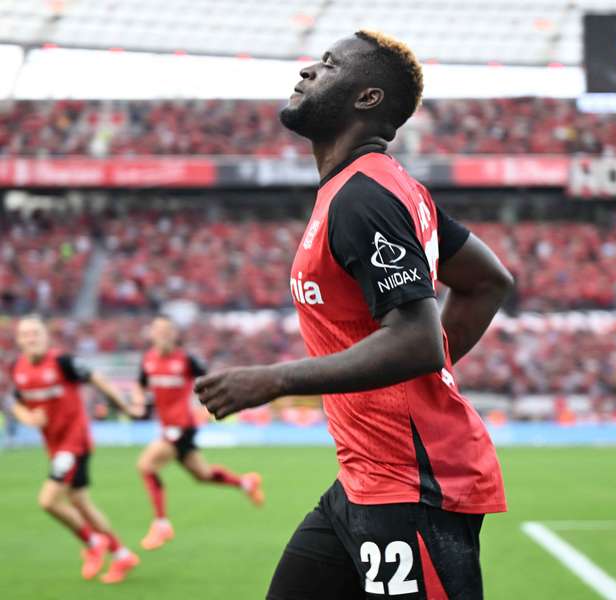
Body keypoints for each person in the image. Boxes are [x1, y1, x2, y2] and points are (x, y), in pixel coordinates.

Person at [195, 30, 512, 599]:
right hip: (364, 480)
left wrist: (275, 380)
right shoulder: (375, 189)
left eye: (329, 64)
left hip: (415, 485)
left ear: (367, 99)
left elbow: (415, 340)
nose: (307, 71)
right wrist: (426, 369)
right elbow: (487, 281)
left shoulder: (364, 197)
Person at [9, 316, 140, 584]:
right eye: (25, 334)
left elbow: (97, 378)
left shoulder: (63, 362)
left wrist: (125, 406)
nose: (31, 338)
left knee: (48, 501)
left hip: (74, 443)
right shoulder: (19, 368)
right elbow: (16, 402)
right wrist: (27, 418)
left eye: (35, 333)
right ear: (19, 340)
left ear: (45, 337)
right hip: (55, 446)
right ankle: (122, 554)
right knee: (81, 503)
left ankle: (93, 542)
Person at [133, 315, 264, 551]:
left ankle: (161, 523)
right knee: (202, 475)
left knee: (146, 465)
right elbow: (140, 386)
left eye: (167, 330)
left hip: (182, 427)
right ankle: (245, 483)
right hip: (168, 427)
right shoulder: (147, 361)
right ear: (151, 334)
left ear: (174, 334)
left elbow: (210, 381)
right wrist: (138, 400)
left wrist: (208, 408)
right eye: (158, 330)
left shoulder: (186, 360)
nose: (162, 334)